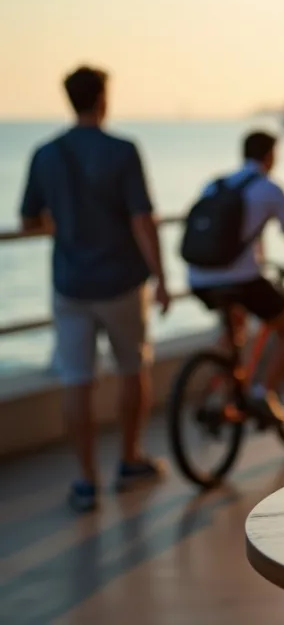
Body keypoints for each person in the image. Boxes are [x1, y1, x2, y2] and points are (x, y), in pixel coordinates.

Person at [18, 65, 171, 512]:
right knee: (131, 370)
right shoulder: (122, 150)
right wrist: (160, 276)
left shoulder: (45, 154)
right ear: (103, 98)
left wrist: (63, 227)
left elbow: (29, 219)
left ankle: (86, 481)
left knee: (76, 382)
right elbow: (142, 218)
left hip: (70, 284)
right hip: (122, 282)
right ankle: (129, 459)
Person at [188, 131, 284, 425]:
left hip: (199, 277)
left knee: (234, 328)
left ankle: (221, 391)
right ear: (270, 155)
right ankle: (261, 392)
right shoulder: (269, 189)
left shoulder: (216, 185)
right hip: (241, 280)